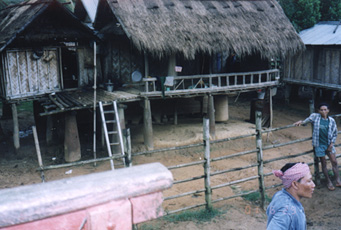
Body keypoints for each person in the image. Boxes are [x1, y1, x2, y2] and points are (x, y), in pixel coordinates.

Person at [294, 102, 341, 191]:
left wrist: (331, 144)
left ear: (328, 110)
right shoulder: (315, 117)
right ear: (318, 111)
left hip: (329, 144)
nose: (323, 111)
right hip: (319, 145)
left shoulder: (331, 120)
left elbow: (335, 133)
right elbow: (306, 121)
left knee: (334, 162)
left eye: (325, 109)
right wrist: (302, 122)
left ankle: (338, 180)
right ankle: (329, 182)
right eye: (321, 110)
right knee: (323, 164)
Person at [267, 162, 315, 229]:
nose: (313, 185)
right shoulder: (287, 210)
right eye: (309, 181)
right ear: (295, 184)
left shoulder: (280, 195)